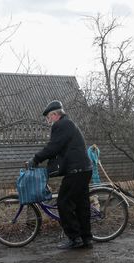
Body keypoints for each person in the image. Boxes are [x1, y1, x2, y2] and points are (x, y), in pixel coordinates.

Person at [32, 100, 93, 249]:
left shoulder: (61, 125)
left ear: (55, 114)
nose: (48, 121)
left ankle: (74, 239)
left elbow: (53, 147)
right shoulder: (68, 123)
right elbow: (59, 148)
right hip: (84, 169)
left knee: (64, 203)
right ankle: (86, 239)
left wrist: (36, 158)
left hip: (76, 171)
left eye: (48, 117)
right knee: (81, 205)